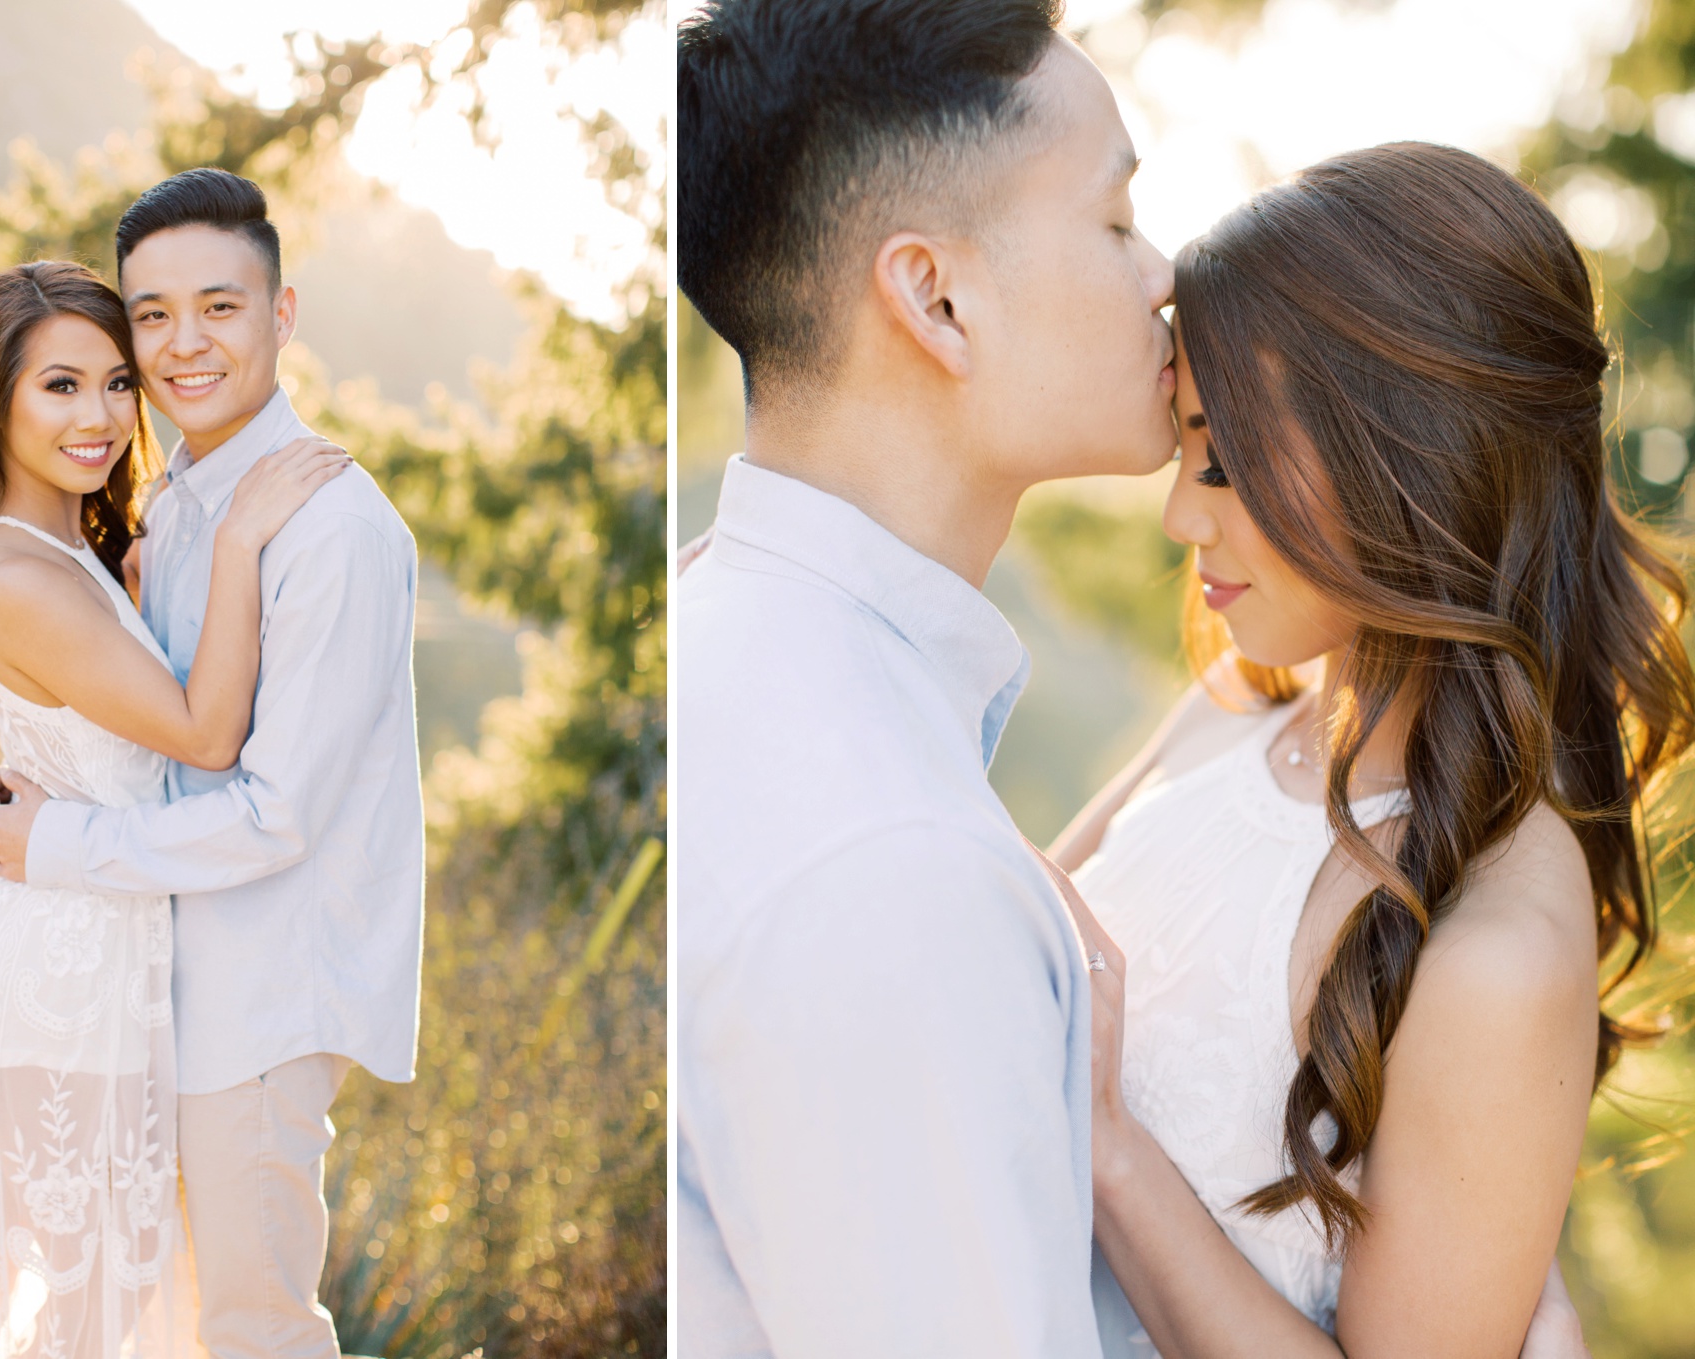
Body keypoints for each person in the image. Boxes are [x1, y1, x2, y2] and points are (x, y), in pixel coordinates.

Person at [1040, 142, 1681, 1359]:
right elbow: (1014, 925)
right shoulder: (1241, 706)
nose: (1178, 512)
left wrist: (1108, 1145)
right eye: (1183, 449)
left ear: (1406, 458)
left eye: (1221, 458)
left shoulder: (1492, 944)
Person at [675, 2, 1177, 1353]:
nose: (1163, 276)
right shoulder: (888, 859)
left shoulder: (730, 645)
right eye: (1117, 221)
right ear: (936, 298)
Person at [0, 168, 425, 1359]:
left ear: (281, 313)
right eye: (152, 316)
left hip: (257, 994)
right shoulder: (172, 507)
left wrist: (56, 843)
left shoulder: (329, 528)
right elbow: (152, 736)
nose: (183, 345)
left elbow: (275, 814)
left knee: (254, 1326)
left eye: (219, 307)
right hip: (150, 978)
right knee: (154, 1320)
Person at [0, 258, 349, 1357]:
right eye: (59, 386)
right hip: (49, 966)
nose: (97, 417)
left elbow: (95, 735)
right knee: (85, 1302)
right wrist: (238, 539)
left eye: (115, 383)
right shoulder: (17, 572)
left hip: (91, 929)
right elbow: (204, 734)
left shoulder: (70, 549)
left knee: (112, 1294)